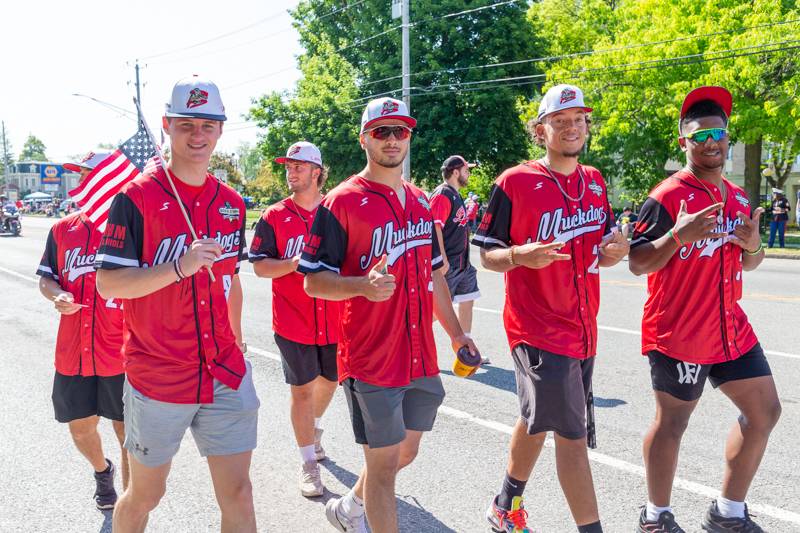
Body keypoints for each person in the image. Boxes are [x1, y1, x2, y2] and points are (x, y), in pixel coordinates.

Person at [298, 97, 479, 533]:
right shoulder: (340, 203)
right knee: (381, 466)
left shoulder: (420, 201)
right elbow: (313, 282)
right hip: (371, 357)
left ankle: (347, 509)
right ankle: (361, 513)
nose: (393, 139)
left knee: (405, 453)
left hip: (419, 352)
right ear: (365, 139)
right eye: (382, 132)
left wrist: (456, 336)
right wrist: (361, 285)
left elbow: (436, 275)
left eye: (401, 131)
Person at [95, 76, 258, 532]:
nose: (198, 135)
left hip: (224, 369)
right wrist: (179, 267)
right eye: (186, 124)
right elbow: (109, 283)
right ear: (166, 126)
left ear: (221, 130)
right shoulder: (135, 198)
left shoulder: (230, 203)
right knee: (147, 494)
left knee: (240, 493)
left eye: (208, 124)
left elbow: (231, 279)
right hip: (160, 373)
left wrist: (239, 341)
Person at [473, 84, 629, 533]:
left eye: (579, 119)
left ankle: (505, 503)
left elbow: (604, 243)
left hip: (583, 327)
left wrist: (615, 248)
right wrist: (521, 254)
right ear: (541, 130)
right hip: (538, 328)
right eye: (561, 121)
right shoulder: (514, 182)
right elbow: (486, 253)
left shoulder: (595, 180)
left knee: (537, 417)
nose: (572, 127)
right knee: (572, 437)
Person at [629, 86, 780, 533]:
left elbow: (748, 260)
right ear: (684, 142)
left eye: (718, 132)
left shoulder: (737, 198)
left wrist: (754, 246)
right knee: (673, 422)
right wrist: (679, 235)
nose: (711, 141)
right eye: (699, 135)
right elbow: (637, 262)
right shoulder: (667, 196)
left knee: (765, 412)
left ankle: (728, 513)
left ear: (727, 136)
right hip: (680, 330)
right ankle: (655, 518)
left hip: (730, 326)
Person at [36, 150, 127, 511]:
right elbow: (47, 276)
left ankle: (129, 507)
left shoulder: (131, 230)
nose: (83, 181)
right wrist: (56, 293)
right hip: (73, 350)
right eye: (81, 175)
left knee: (126, 432)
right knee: (80, 426)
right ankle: (103, 471)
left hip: (120, 352)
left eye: (90, 174)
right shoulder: (63, 229)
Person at [249, 141, 339, 498]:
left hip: (335, 317)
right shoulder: (273, 216)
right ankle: (308, 465)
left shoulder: (337, 211)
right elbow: (258, 265)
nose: (291, 171)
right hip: (292, 320)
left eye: (298, 166)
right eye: (288, 166)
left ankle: (314, 429)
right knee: (301, 391)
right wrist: (292, 264)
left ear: (317, 171)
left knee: (331, 381)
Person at [430, 155, 484, 358]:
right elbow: (435, 225)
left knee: (468, 298)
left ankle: (465, 347)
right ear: (455, 172)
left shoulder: (456, 194)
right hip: (449, 262)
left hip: (463, 263)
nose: (468, 174)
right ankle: (412, 338)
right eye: (466, 170)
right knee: (439, 310)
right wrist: (441, 257)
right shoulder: (443, 193)